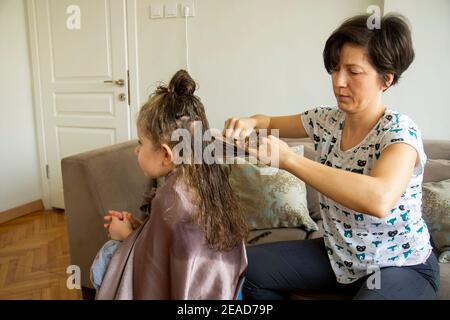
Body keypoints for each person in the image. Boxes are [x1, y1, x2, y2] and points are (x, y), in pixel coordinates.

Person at [223, 14, 440, 300]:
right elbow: (266, 120)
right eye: (335, 70)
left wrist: (289, 159)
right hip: (339, 259)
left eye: (353, 71)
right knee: (239, 270)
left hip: (399, 265)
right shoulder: (326, 120)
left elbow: (379, 199)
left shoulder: (400, 132)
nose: (339, 82)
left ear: (385, 79)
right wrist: (249, 122)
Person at [91, 69, 248, 299]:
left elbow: (152, 269)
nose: (136, 150)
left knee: (104, 260)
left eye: (140, 143)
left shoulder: (172, 198)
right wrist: (140, 229)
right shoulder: (206, 176)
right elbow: (169, 246)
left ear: (166, 155)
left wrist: (125, 237)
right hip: (230, 287)